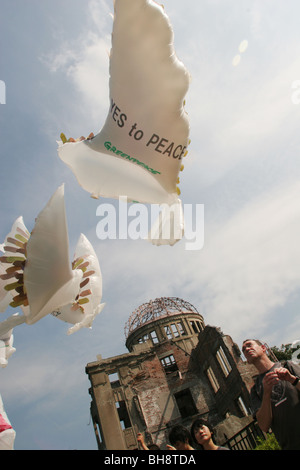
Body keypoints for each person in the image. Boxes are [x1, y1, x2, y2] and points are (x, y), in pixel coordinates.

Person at [242, 339, 300, 450]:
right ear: (247, 361)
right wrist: (266, 394)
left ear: (263, 348)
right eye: (244, 350)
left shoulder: (288, 366)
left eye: (249, 345)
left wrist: (292, 380)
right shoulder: (255, 390)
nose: (247, 349)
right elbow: (264, 426)